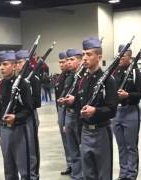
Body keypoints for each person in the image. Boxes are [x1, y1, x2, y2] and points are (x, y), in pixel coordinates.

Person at [77, 37, 118, 180]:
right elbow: (79, 108)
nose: (84, 58)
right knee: (88, 173)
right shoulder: (82, 80)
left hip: (101, 132)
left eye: (89, 54)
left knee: (103, 173)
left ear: (99, 57)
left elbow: (112, 110)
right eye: (83, 54)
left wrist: (96, 111)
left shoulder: (108, 81)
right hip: (85, 131)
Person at [0, 50, 33, 180]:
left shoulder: (23, 84)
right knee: (9, 169)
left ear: (15, 66)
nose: (1, 67)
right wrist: (0, 134)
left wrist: (16, 117)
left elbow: (29, 109)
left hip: (20, 129)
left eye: (5, 64)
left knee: (24, 169)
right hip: (5, 130)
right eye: (0, 64)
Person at [112, 45, 141, 180]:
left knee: (131, 145)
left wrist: (128, 95)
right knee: (121, 145)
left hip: (130, 110)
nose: (119, 58)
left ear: (130, 58)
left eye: (123, 56)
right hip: (117, 112)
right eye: (118, 56)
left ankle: (131, 174)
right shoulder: (114, 72)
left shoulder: (137, 72)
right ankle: (123, 172)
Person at [58, 48, 84, 180]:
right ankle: (76, 174)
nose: (68, 62)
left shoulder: (84, 77)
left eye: (71, 59)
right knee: (72, 148)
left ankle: (83, 174)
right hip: (69, 114)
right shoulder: (69, 78)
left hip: (79, 116)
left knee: (81, 147)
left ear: (80, 61)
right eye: (67, 60)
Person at [15, 49, 41, 180]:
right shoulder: (17, 80)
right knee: (22, 147)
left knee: (32, 147)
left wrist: (26, 101)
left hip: (30, 115)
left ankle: (33, 174)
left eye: (20, 62)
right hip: (19, 117)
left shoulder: (34, 78)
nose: (18, 65)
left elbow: (37, 102)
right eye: (17, 62)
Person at [54, 52, 72, 175]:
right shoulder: (60, 77)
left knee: (72, 140)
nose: (61, 64)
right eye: (59, 62)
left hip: (70, 111)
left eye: (63, 61)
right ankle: (70, 164)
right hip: (61, 110)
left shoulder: (72, 77)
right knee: (65, 141)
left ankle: (77, 165)